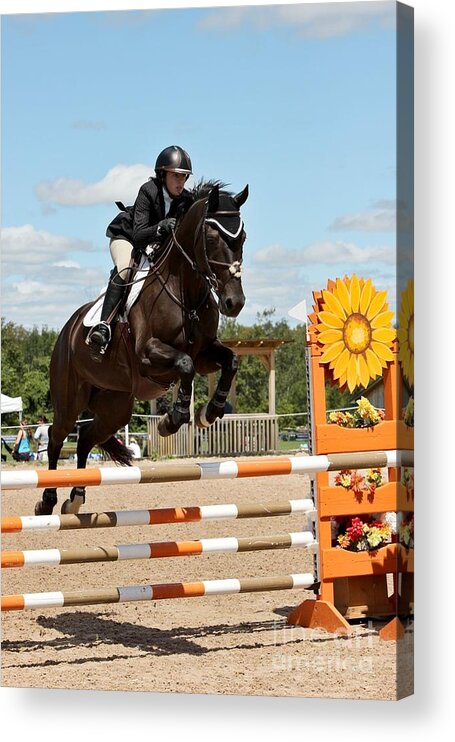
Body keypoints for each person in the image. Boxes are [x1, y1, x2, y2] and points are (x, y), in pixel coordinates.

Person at [88, 145, 194, 356]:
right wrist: (160, 226)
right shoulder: (148, 191)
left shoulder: (187, 200)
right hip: (128, 237)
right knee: (125, 268)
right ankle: (104, 326)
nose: (180, 182)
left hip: (155, 246)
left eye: (184, 177)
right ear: (163, 174)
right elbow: (138, 235)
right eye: (176, 176)